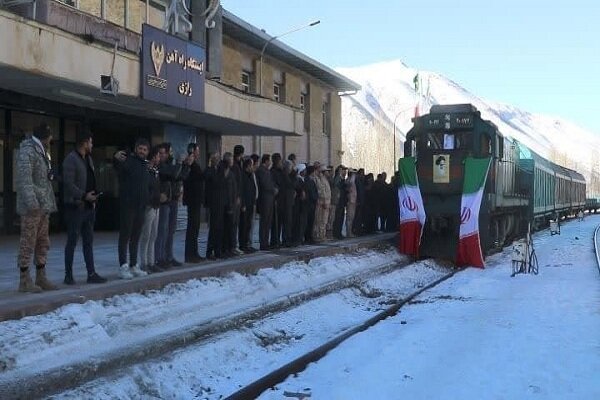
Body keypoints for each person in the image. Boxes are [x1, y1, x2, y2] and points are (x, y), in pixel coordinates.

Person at [16, 123, 58, 292]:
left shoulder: (42, 152)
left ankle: (41, 276)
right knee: (28, 242)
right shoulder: (27, 151)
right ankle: (25, 280)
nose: (51, 139)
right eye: (50, 136)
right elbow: (25, 180)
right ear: (45, 136)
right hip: (32, 208)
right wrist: (32, 203)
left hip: (43, 206)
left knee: (42, 242)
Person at [62, 127, 106, 284]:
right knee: (72, 241)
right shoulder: (71, 159)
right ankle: (68, 275)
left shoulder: (88, 158)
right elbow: (68, 184)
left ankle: (91, 273)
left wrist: (93, 197)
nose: (92, 145)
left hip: (89, 206)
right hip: (76, 207)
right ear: (85, 142)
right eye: (91, 142)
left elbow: (91, 180)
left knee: (88, 241)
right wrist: (83, 195)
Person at [114, 139, 151, 279]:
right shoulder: (128, 160)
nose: (142, 151)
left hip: (141, 207)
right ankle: (123, 266)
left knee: (136, 237)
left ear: (147, 152)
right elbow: (118, 167)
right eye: (140, 148)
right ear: (136, 149)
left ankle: (134, 265)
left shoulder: (145, 165)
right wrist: (116, 159)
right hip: (128, 206)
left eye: (145, 149)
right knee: (125, 236)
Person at [139, 146, 161, 273]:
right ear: (153, 157)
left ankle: (151, 262)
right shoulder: (146, 169)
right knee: (146, 235)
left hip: (156, 205)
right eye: (158, 156)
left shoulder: (155, 170)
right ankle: (144, 262)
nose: (159, 158)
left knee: (153, 235)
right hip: (149, 205)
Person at [183, 143, 205, 263]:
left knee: (195, 228)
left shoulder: (195, 165)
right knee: (192, 227)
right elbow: (195, 178)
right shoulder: (189, 164)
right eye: (197, 150)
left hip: (196, 200)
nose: (198, 153)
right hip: (192, 200)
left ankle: (194, 252)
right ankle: (190, 254)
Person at [256, 154, 275, 250]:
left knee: (268, 222)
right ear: (266, 161)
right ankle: (263, 243)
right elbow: (265, 184)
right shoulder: (261, 171)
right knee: (264, 222)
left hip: (270, 199)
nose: (270, 163)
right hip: (264, 199)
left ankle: (266, 241)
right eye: (269, 161)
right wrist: (273, 189)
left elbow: (271, 182)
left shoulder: (267, 171)